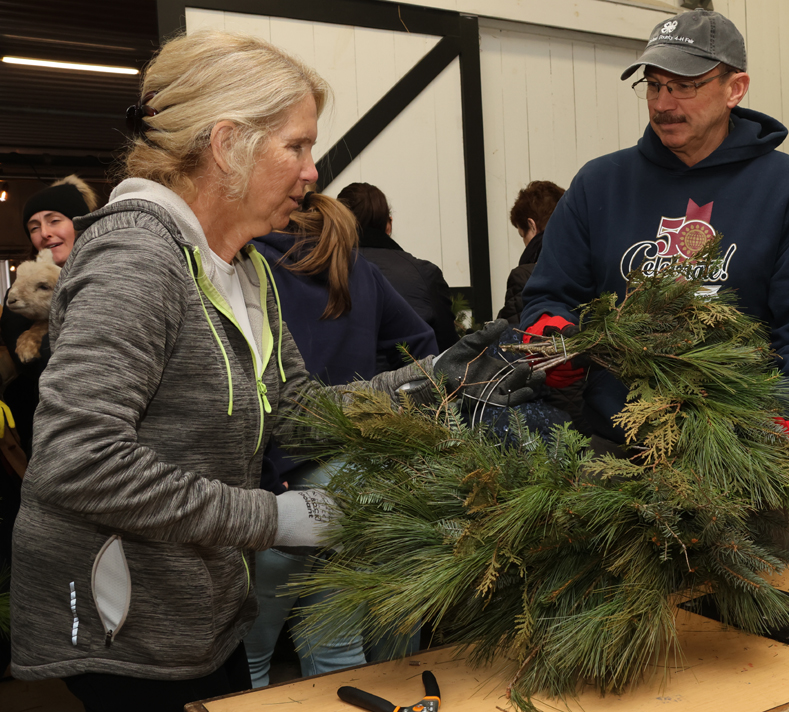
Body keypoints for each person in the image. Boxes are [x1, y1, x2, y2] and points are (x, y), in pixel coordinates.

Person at [8, 30, 536, 712]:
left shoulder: (243, 266)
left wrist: (437, 378)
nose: (313, 172)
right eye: (298, 146)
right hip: (126, 633)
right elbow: (78, 461)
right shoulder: (136, 260)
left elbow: (295, 410)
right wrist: (277, 516)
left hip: (203, 608)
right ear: (228, 145)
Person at [520, 9, 789, 546]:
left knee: (742, 628)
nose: (663, 103)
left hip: (738, 466)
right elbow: (551, 294)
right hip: (616, 457)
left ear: (734, 88)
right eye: (653, 86)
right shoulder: (598, 184)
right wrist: (552, 339)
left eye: (686, 87)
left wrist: (787, 417)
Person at [245, 192, 438, 686]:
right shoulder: (358, 267)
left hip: (285, 480)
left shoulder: (252, 267)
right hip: (364, 466)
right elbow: (420, 348)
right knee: (358, 642)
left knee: (250, 656)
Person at [0, 174, 99, 678]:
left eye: (54, 219)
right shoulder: (22, 296)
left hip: (99, 452)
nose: (44, 231)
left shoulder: (104, 277)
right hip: (38, 449)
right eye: (34, 225)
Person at [337, 182, 460, 356]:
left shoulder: (322, 270)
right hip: (411, 379)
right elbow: (448, 351)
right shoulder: (424, 274)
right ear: (388, 224)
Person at [497, 180, 565, 329]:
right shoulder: (589, 264)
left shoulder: (525, 276)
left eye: (523, 235)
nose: (524, 243)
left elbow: (512, 341)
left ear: (532, 225)